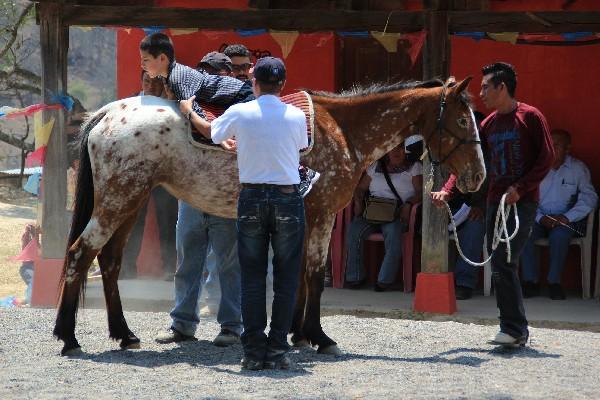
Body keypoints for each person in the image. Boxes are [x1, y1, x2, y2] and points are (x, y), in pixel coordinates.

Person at [432, 62, 554, 347]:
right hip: (494, 202)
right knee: (501, 263)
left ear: (503, 87)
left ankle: (513, 328)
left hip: (521, 203)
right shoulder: (487, 125)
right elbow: (472, 163)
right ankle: (513, 328)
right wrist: (447, 191)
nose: (481, 92)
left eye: (486, 86)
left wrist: (520, 189)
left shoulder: (530, 117)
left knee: (504, 261)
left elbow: (545, 158)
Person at [142, 33, 244, 347]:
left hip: (223, 197)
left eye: (219, 75)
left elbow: (202, 120)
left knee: (229, 264)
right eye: (208, 73)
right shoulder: (183, 101)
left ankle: (231, 327)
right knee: (188, 263)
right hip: (191, 197)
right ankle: (183, 324)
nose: (213, 79)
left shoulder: (234, 112)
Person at [210, 57, 307, 370]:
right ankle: (277, 349)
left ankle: (252, 351)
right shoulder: (296, 114)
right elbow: (301, 147)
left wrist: (190, 111)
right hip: (288, 197)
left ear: (254, 83)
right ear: (282, 85)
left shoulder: (240, 111)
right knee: (286, 279)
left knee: (251, 278)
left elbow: (214, 134)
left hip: (251, 196)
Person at [520, 129, 597, 300]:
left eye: (557, 145)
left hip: (565, 219)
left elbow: (590, 197)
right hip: (539, 218)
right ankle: (530, 282)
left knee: (560, 236)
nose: (551, 148)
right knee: (525, 232)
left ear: (567, 149)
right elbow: (526, 199)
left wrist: (567, 217)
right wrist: (541, 218)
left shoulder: (577, 168)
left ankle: (554, 283)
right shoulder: (536, 168)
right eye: (548, 144)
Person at [345, 135, 423, 292]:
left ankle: (384, 280)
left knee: (393, 234)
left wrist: (409, 204)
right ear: (386, 151)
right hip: (373, 210)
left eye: (400, 148)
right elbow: (360, 189)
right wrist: (359, 201)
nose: (396, 152)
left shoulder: (414, 167)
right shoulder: (375, 166)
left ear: (405, 150)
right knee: (354, 231)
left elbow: (421, 192)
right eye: (392, 148)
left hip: (396, 213)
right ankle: (355, 277)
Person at [448, 111, 487, 300]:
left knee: (474, 226)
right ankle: (435, 277)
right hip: (452, 208)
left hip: (478, 209)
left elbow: (496, 186)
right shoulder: (453, 152)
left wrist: (481, 206)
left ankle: (464, 282)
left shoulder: (490, 155)